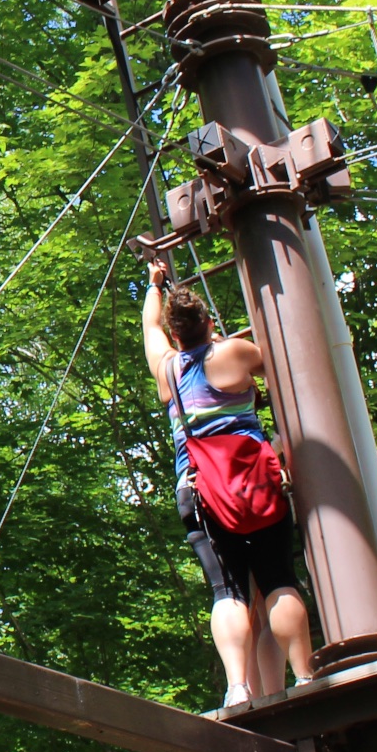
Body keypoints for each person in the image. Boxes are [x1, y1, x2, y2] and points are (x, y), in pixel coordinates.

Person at [141, 256, 314, 708]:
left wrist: (154, 286)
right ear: (209, 323)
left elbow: (150, 333)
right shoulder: (235, 353)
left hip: (199, 490)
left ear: (176, 334)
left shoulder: (168, 373)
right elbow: (276, 366)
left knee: (229, 590)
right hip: (256, 483)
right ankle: (306, 674)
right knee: (279, 580)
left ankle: (238, 686)